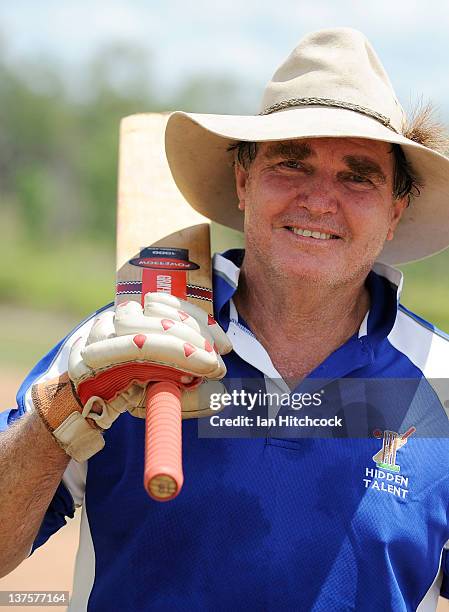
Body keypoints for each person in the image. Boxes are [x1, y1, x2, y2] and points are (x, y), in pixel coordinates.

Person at [2, 27, 449, 611]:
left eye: (356, 175)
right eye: (291, 163)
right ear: (244, 182)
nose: (318, 200)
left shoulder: (438, 382)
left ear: (395, 211)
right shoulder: (123, 339)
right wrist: (63, 412)